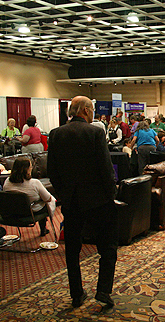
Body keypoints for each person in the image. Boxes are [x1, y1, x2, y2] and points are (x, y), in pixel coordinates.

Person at [48, 96, 118, 308]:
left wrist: (64, 194)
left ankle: (76, 293)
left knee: (72, 250)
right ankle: (103, 290)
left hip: (70, 203)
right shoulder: (95, 132)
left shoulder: (56, 134)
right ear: (86, 110)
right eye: (93, 109)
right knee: (107, 248)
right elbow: (106, 169)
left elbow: (52, 171)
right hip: (98, 201)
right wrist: (111, 193)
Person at [3, 157, 56, 237]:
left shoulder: (7, 181)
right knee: (45, 204)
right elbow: (48, 198)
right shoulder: (34, 183)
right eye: (30, 167)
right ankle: (43, 228)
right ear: (27, 169)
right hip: (31, 213)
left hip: (13, 212)